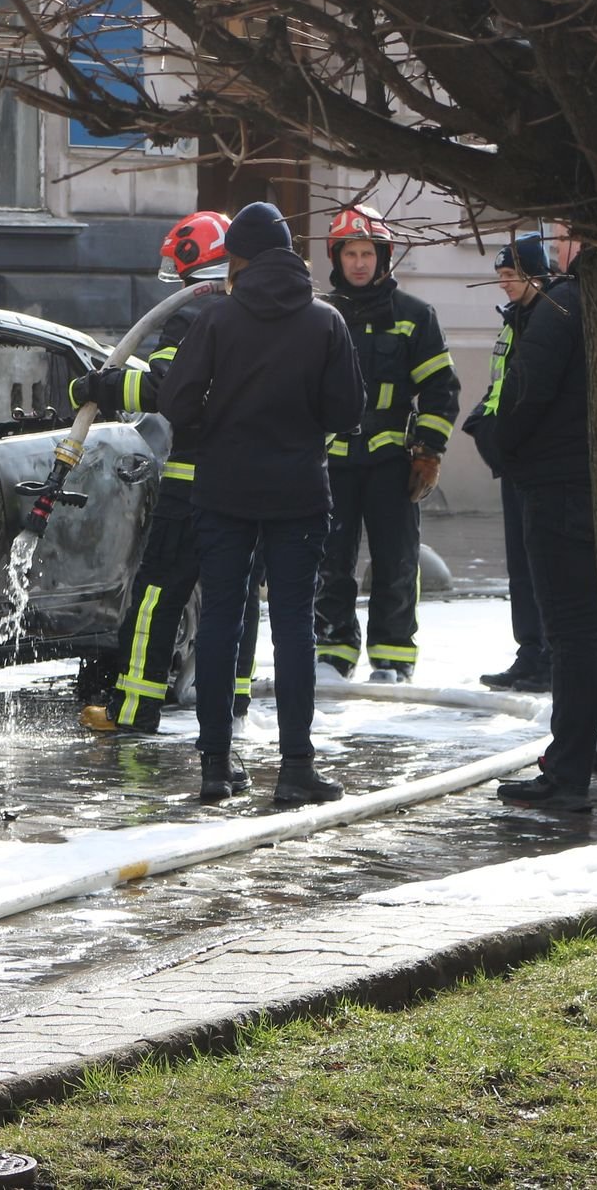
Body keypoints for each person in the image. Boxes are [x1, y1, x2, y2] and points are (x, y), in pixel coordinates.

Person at [157, 202, 365, 803]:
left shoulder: (216, 320)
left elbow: (176, 404)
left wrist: (218, 424)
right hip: (299, 491)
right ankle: (296, 769)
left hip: (223, 489)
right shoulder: (326, 321)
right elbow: (348, 412)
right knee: (294, 625)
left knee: (221, 619)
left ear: (238, 259)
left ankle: (216, 766)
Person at [70, 211, 264, 736]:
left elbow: (163, 390)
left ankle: (135, 708)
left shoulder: (193, 314)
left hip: (193, 481)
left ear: (192, 262)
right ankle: (234, 704)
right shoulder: (261, 313)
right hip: (252, 482)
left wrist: (98, 389)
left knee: (158, 594)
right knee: (239, 593)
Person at [312, 206, 461, 683]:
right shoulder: (317, 316)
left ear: (383, 257)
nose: (359, 263)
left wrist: (429, 451)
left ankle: (393, 658)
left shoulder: (415, 316)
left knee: (396, 560)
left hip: (393, 463)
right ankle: (332, 651)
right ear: (337, 258)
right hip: (331, 462)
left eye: (367, 254)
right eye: (350, 254)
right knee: (329, 560)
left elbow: (441, 389)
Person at [494, 249, 597, 812]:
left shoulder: (564, 305)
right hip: (588, 481)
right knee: (590, 632)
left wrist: (498, 443)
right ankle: (587, 753)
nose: (556, 247)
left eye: (563, 234)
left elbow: (523, 393)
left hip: (557, 487)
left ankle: (567, 772)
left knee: (572, 633)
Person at [462, 234, 552, 692]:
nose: (504, 283)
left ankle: (548, 657)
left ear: (537, 276)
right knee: (521, 565)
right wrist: (483, 423)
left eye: (511, 275)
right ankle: (530, 652)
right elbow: (501, 386)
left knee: (543, 565)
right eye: (500, 275)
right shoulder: (513, 321)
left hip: (537, 463)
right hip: (513, 460)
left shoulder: (547, 323)